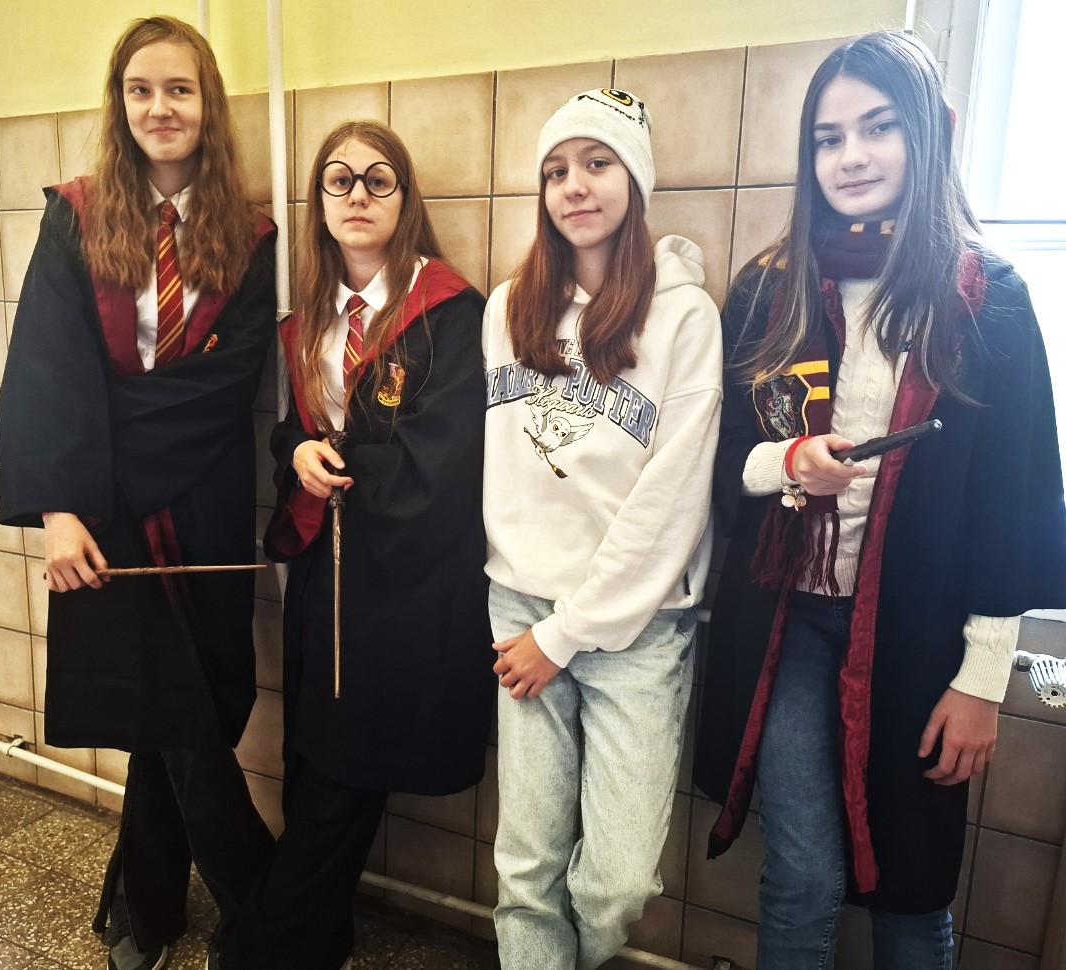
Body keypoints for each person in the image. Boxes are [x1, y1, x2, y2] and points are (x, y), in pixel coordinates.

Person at [692, 31, 1066, 970]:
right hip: (787, 622)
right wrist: (789, 462)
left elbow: (1013, 506)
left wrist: (982, 682)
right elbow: (718, 460)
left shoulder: (987, 299)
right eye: (828, 137)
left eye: (879, 128)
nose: (851, 156)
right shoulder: (769, 291)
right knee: (801, 874)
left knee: (912, 883)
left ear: (929, 135)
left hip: (918, 634)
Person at [0, 15, 279, 970]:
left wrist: (108, 443)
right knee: (164, 704)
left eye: (180, 89)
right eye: (141, 89)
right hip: (99, 511)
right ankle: (261, 911)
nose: (161, 107)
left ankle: (143, 907)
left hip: (200, 497)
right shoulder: (76, 217)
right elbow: (48, 367)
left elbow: (225, 382)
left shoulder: (249, 236)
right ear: (120, 104)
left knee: (186, 698)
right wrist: (62, 510)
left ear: (209, 105)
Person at [210, 120, 493, 970]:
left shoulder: (452, 313)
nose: (358, 195)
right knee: (312, 760)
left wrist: (341, 464)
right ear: (320, 202)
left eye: (378, 179)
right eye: (339, 180)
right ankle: (314, 938)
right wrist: (299, 453)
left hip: (401, 585)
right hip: (321, 579)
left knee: (345, 770)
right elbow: (291, 434)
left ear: (405, 199)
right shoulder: (308, 326)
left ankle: (271, 950)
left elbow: (446, 459)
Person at [483, 89, 722, 969]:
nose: (574, 186)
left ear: (636, 180)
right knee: (528, 862)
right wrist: (535, 623)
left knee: (616, 882)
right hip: (521, 603)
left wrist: (567, 633)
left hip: (637, 627)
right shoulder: (508, 309)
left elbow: (674, 502)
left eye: (597, 163)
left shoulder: (685, 317)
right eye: (555, 171)